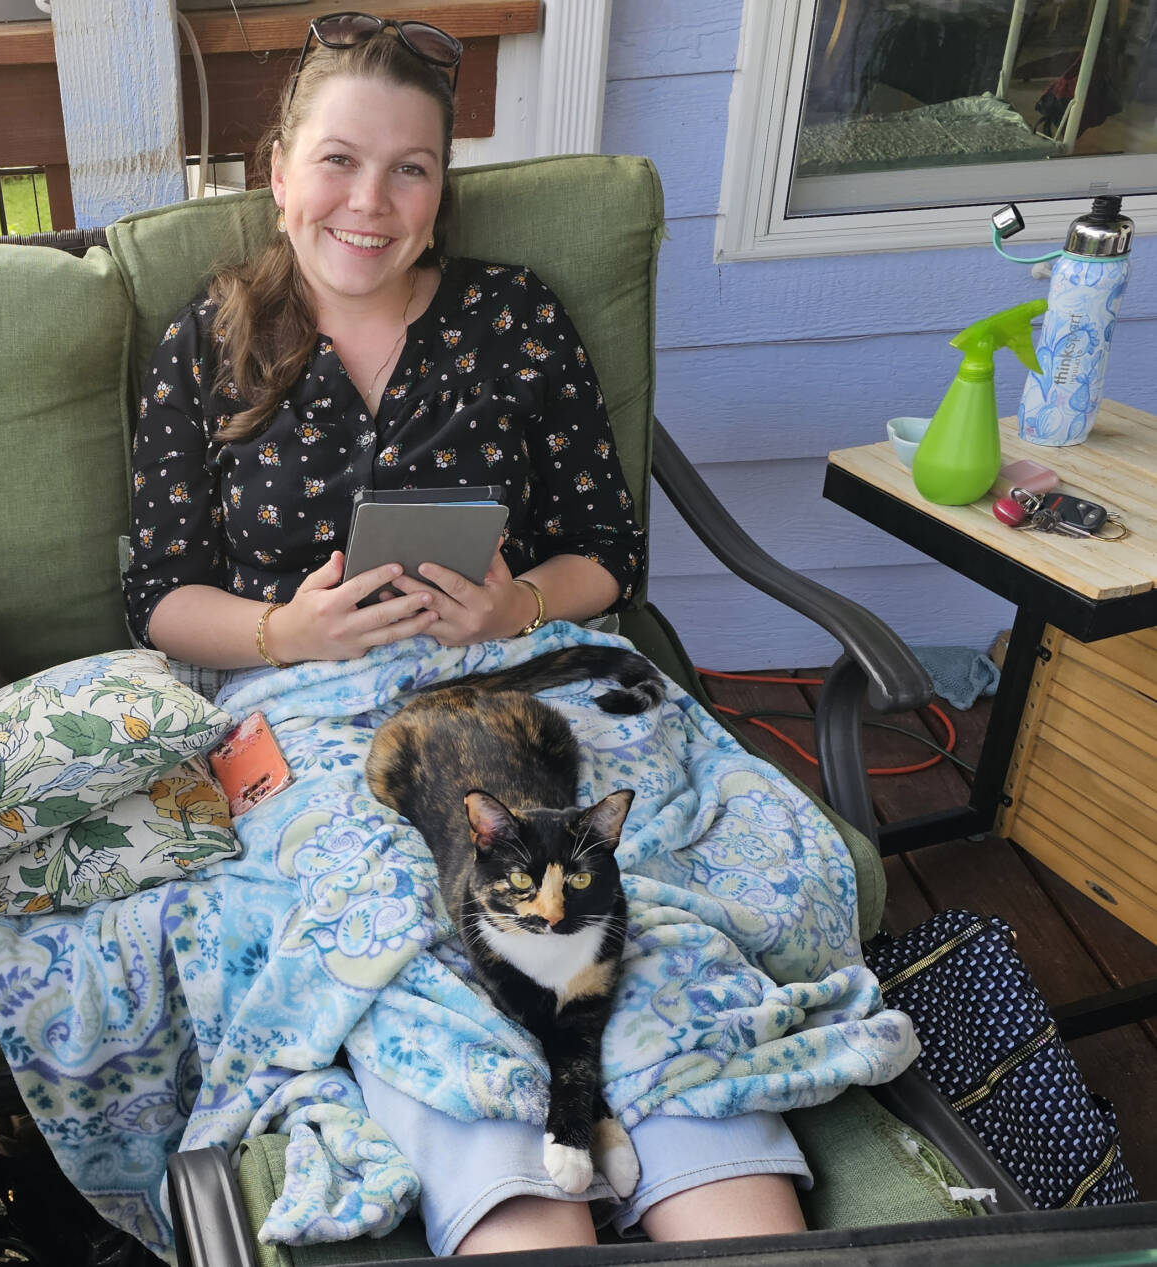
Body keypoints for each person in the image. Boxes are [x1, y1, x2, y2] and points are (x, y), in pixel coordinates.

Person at [121, 13, 812, 1258]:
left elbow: (612, 548)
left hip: (520, 673)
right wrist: (283, 629)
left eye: (410, 169)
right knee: (403, 921)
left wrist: (518, 604)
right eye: (337, 160)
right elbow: (159, 598)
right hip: (309, 709)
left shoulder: (514, 318)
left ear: (442, 192)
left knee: (624, 903)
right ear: (278, 170)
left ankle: (715, 1170)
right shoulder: (206, 341)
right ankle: (511, 1193)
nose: (369, 203)